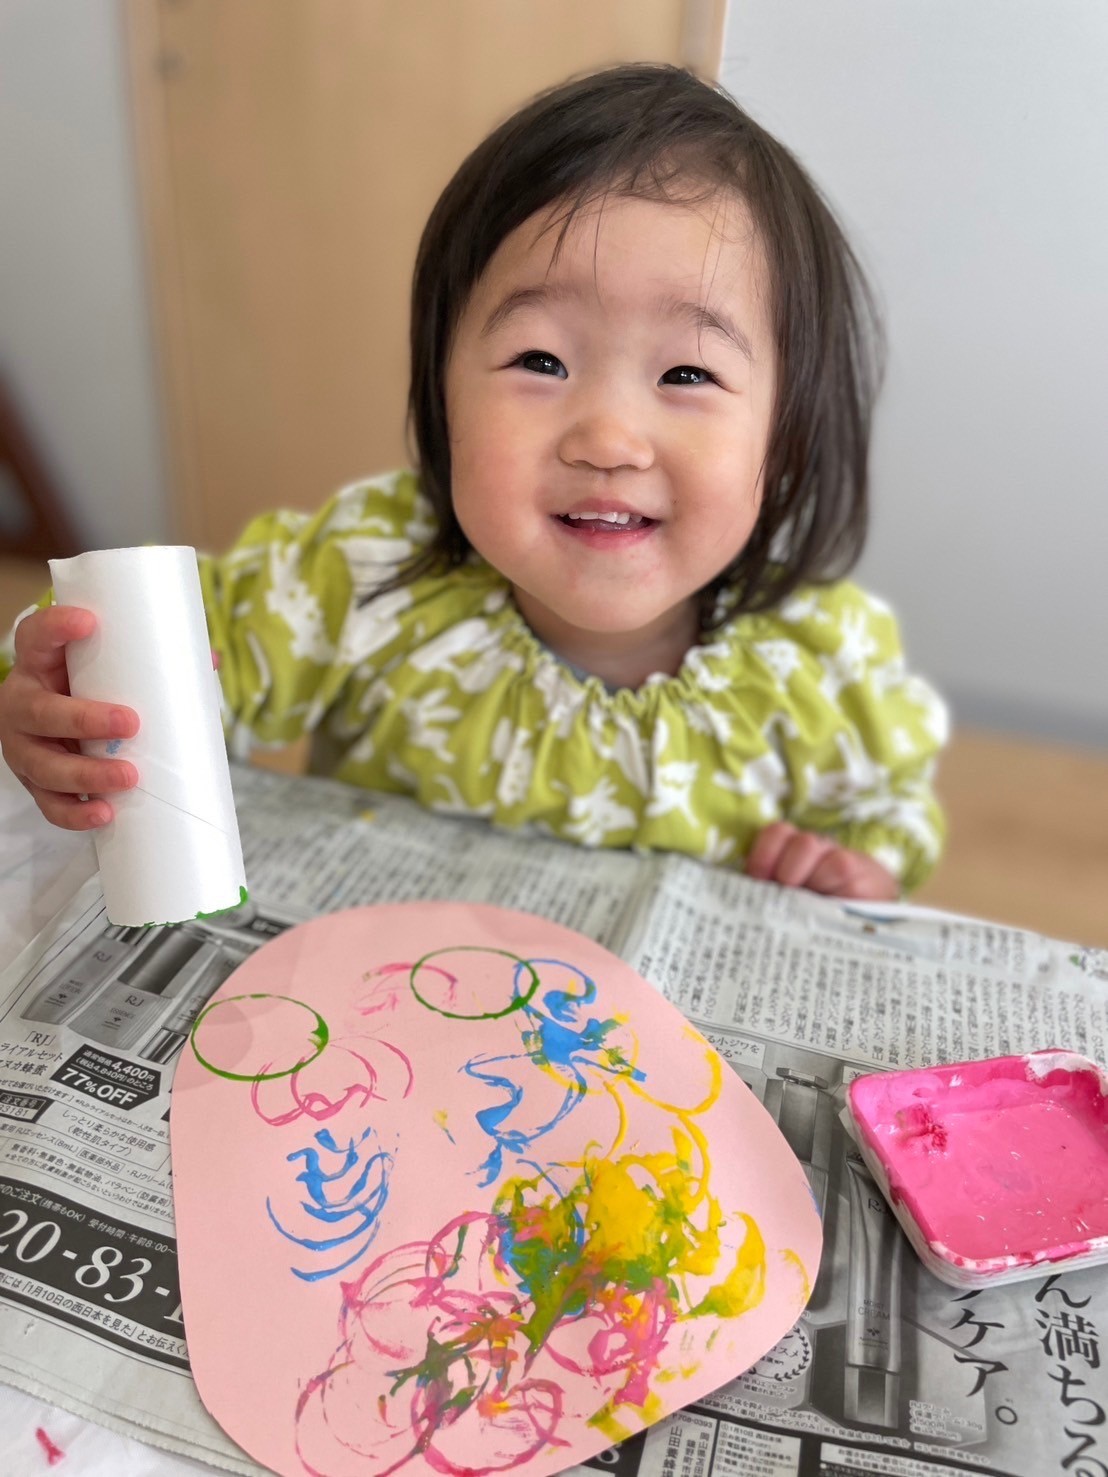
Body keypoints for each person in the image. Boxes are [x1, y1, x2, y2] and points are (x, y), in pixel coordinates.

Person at [0, 64, 947, 900]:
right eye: (541, 360)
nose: (609, 439)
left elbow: (890, 810)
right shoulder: (364, 568)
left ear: (785, 434)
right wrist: (66, 697)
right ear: (442, 392)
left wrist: (855, 864)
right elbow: (166, 662)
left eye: (688, 373)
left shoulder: (826, 659)